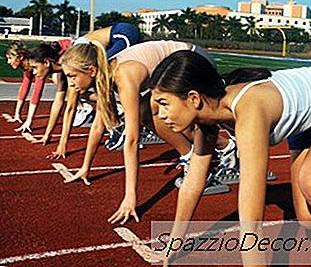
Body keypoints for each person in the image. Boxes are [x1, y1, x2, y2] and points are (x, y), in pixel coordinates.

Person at [150, 50, 311, 266]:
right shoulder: (208, 117)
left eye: (164, 103)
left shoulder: (249, 113)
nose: (159, 114)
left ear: (194, 98)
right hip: (310, 115)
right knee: (308, 218)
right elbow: (192, 184)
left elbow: (251, 221)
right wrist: (175, 242)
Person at [61, 40, 236, 225]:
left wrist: (130, 196)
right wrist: (85, 167)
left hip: (195, 59)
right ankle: (217, 149)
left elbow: (132, 139)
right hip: (178, 62)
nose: (70, 84)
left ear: (91, 71)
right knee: (151, 112)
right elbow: (98, 126)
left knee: (158, 113)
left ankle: (210, 152)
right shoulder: (104, 76)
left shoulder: (123, 76)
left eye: (72, 76)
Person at [30, 23, 142, 158]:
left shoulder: (73, 61)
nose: (34, 73)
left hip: (124, 33)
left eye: (35, 67)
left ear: (46, 62)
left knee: (104, 72)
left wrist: (63, 144)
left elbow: (71, 108)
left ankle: (129, 123)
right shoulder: (65, 70)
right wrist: (48, 135)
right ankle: (120, 121)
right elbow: (60, 104)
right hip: (116, 37)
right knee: (99, 83)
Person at [5, 41, 46, 132]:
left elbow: (37, 91)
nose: (8, 62)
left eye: (10, 58)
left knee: (60, 82)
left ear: (20, 57)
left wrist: (29, 120)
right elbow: (25, 87)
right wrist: (17, 114)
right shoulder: (26, 65)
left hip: (65, 52)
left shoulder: (35, 62)